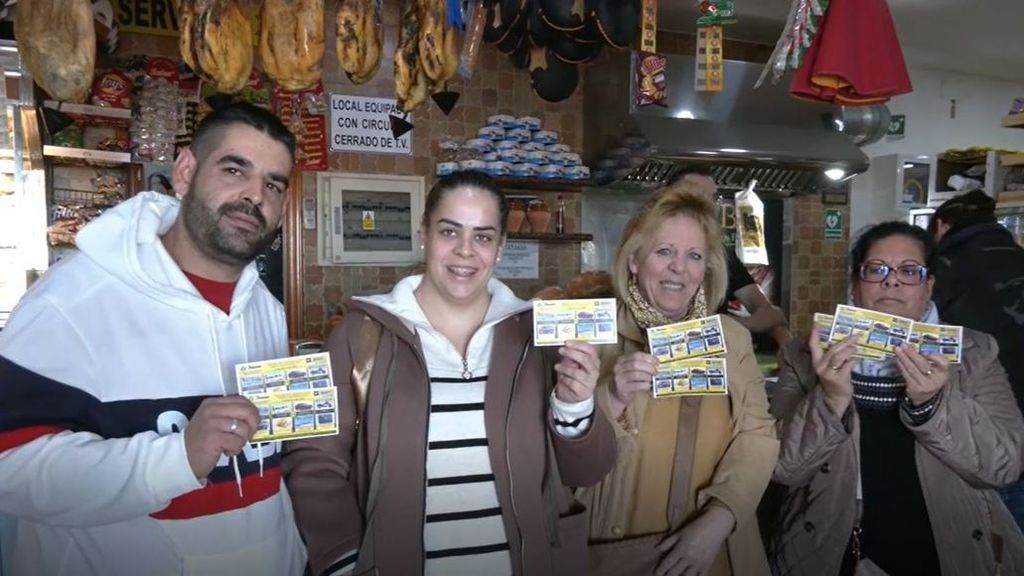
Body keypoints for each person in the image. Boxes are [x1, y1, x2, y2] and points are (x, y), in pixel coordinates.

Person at [0, 102, 306, 575]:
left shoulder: (268, 309)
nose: (254, 196)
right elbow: (10, 469)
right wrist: (178, 456)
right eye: (234, 169)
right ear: (185, 171)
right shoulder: (72, 299)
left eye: (273, 184)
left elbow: (260, 470)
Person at [282, 170, 616, 576]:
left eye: (483, 236)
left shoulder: (538, 338)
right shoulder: (360, 333)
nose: (465, 251)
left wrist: (576, 404)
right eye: (449, 231)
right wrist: (345, 561)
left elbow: (587, 472)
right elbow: (314, 462)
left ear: (500, 247)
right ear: (424, 234)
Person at [769, 221, 1024, 576]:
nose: (892, 281)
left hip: (944, 554)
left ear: (928, 285)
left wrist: (935, 405)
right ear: (856, 284)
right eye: (876, 270)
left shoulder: (974, 354)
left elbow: (1004, 465)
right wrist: (830, 399)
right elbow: (784, 468)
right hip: (832, 554)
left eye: (909, 271)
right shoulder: (805, 355)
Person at [577, 182, 779, 576]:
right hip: (617, 551)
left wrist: (720, 517)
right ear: (634, 260)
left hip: (713, 553)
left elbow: (758, 434)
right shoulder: (592, 335)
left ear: (706, 268)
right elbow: (562, 456)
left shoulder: (730, 338)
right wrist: (610, 396)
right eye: (664, 251)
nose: (679, 268)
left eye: (694, 255)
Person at [928, 189, 1024, 532]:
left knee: (988, 534)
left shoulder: (943, 269)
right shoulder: (1018, 255)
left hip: (982, 423)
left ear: (940, 226)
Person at [680, 172, 792, 361]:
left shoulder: (722, 257)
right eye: (697, 196)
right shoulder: (646, 253)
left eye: (714, 197)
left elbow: (771, 314)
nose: (708, 205)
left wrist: (723, 325)